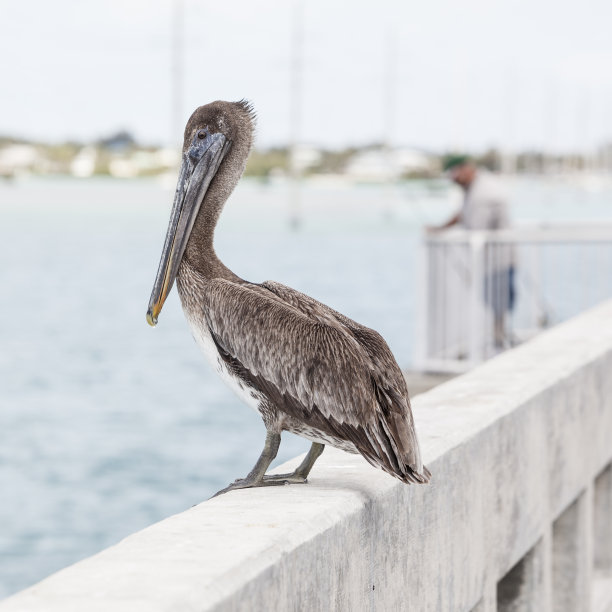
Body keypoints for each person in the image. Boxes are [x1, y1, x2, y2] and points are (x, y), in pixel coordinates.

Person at [427, 155, 515, 348]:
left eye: (455, 175)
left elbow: (476, 227)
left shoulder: (484, 192)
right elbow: (463, 215)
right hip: (492, 259)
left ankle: (499, 342)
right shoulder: (473, 188)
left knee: (499, 301)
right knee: (494, 301)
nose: (454, 180)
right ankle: (497, 339)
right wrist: (441, 228)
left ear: (465, 170)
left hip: (499, 258)